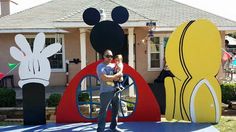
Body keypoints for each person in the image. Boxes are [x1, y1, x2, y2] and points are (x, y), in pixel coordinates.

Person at [96, 49, 123, 132]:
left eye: (111, 56)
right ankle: (100, 130)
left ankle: (113, 127)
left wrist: (118, 75)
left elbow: (121, 78)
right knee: (103, 112)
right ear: (104, 56)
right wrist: (117, 76)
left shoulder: (115, 65)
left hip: (116, 91)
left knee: (115, 110)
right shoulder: (100, 66)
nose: (110, 58)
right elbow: (104, 78)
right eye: (108, 56)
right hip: (105, 92)